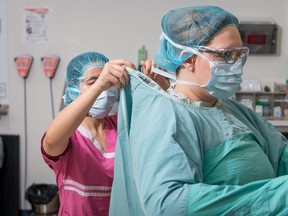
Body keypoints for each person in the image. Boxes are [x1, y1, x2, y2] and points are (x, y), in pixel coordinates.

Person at [109, 5, 288, 215]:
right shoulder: (166, 116)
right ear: (188, 59)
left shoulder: (236, 111)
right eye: (226, 55)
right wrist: (275, 196)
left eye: (240, 54)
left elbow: (281, 154)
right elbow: (170, 204)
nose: (236, 64)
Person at [41, 51, 136, 215]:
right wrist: (100, 85)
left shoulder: (120, 124)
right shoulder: (70, 134)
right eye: (93, 82)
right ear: (73, 90)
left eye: (108, 83)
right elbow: (51, 140)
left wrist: (157, 84)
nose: (105, 90)